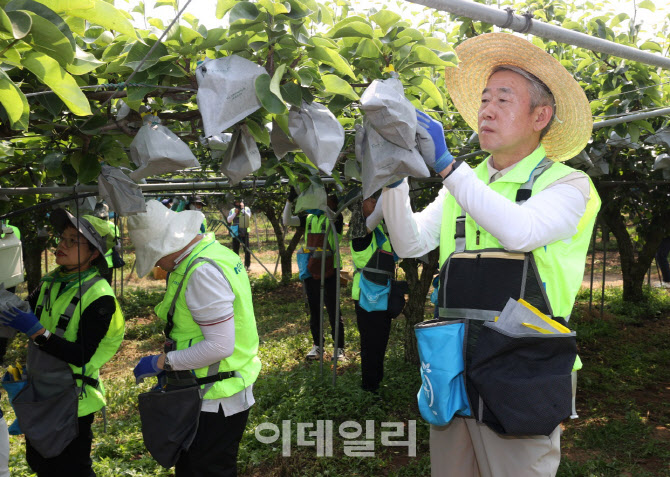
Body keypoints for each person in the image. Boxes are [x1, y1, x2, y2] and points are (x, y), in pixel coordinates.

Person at [381, 33, 600, 476]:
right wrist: (392, 176)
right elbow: (410, 243)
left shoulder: (567, 185)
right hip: (453, 365)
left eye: (503, 98)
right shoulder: (466, 184)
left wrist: (447, 166)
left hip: (524, 368)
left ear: (541, 116)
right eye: (484, 99)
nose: (487, 109)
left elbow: (521, 232)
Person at [128, 200, 261, 477]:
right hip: (215, 387)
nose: (157, 264)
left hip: (214, 397)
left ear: (166, 246)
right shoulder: (212, 253)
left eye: (154, 255)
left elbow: (219, 345)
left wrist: (163, 362)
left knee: (206, 468)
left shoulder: (201, 271)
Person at [0, 209, 125, 477]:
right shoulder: (52, 281)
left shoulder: (100, 297)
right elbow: (23, 309)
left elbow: (80, 354)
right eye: (62, 238)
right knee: (40, 462)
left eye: (72, 241)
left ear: (94, 254)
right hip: (43, 391)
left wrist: (37, 332)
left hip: (73, 399)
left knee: (70, 469)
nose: (61, 245)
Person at [283, 193, 345, 361]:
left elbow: (334, 216)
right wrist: (290, 201)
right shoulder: (310, 218)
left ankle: (339, 348)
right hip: (311, 267)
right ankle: (318, 345)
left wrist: (321, 203)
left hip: (330, 268)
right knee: (315, 309)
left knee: (333, 309)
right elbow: (287, 221)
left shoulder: (335, 218)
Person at [350, 196, 397, 392]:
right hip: (367, 297)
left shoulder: (377, 232)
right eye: (371, 200)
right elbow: (378, 213)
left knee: (380, 342)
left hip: (381, 295)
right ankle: (369, 386)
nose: (376, 203)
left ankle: (375, 381)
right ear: (360, 206)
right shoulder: (361, 232)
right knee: (371, 343)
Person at [92, 202, 123, 283]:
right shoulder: (112, 226)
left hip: (93, 263)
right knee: (106, 288)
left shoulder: (89, 225)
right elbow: (117, 246)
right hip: (108, 263)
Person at [227, 198, 251, 271]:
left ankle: (247, 265)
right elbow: (229, 220)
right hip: (235, 232)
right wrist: (235, 213)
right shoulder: (232, 210)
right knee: (235, 250)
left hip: (244, 231)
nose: (238, 204)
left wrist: (243, 209)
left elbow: (248, 217)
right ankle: (236, 265)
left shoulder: (246, 209)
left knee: (246, 249)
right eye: (236, 202)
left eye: (239, 202)